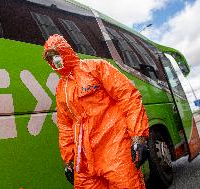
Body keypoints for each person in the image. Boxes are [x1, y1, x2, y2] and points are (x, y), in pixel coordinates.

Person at [43, 34, 149, 189]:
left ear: (65, 51)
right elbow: (65, 125)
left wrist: (138, 137)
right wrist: (69, 160)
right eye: (50, 58)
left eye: (55, 54)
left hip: (115, 147)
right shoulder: (61, 88)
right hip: (84, 159)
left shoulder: (96, 67)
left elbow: (128, 97)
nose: (54, 60)